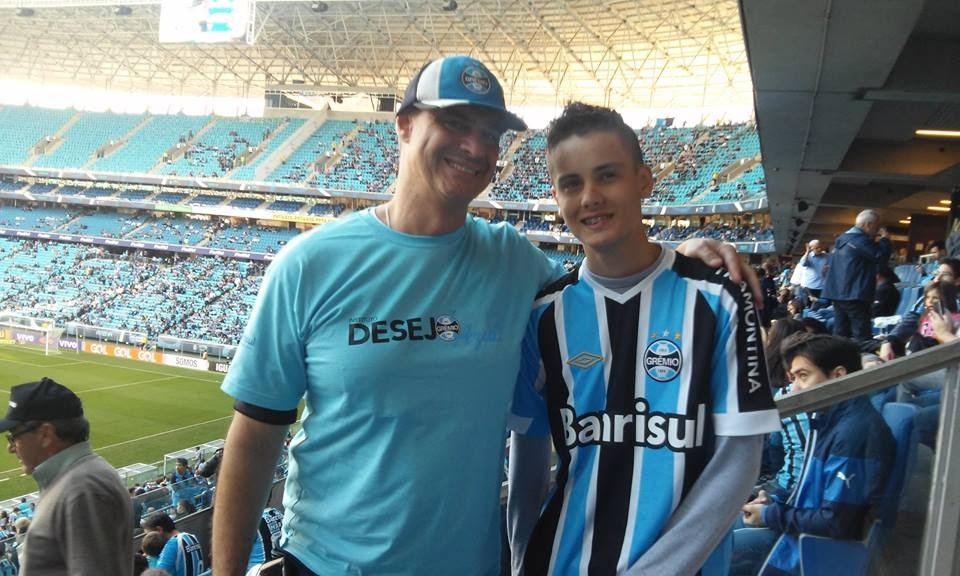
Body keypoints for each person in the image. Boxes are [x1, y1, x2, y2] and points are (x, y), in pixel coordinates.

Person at [212, 55, 762, 575]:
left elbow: (613, 268)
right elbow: (255, 438)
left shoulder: (516, 264)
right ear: (403, 125)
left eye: (491, 134)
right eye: (455, 122)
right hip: (328, 563)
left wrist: (683, 256)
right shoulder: (309, 264)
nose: (476, 147)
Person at [505, 102, 781, 575]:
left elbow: (737, 464)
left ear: (644, 181)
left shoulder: (717, 300)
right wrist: (518, 560)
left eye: (607, 175)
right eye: (571, 183)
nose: (590, 196)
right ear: (556, 196)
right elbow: (527, 460)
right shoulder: (544, 315)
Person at [731, 334, 895, 575]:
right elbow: (815, 497)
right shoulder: (831, 420)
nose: (795, 389)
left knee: (714, 548)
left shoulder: (854, 433)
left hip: (810, 550)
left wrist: (770, 514)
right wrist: (773, 504)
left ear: (838, 375)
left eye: (803, 376)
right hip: (797, 530)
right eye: (793, 378)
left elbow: (837, 522)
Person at [0, 377, 132, 575]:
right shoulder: (75, 480)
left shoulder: (84, 489)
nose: (10, 448)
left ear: (45, 434)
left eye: (14, 436)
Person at [821, 209, 891, 343]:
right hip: (855, 294)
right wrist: (885, 240)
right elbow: (881, 256)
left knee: (841, 333)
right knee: (862, 336)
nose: (876, 231)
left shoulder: (842, 239)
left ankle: (840, 361)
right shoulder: (860, 240)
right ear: (868, 224)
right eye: (876, 227)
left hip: (838, 293)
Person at [796, 239, 829, 308]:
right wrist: (807, 252)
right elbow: (803, 263)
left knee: (821, 308)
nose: (820, 249)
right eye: (817, 248)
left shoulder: (826, 256)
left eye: (820, 247)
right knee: (806, 308)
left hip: (821, 287)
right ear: (811, 248)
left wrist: (828, 267)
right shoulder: (808, 257)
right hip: (808, 287)